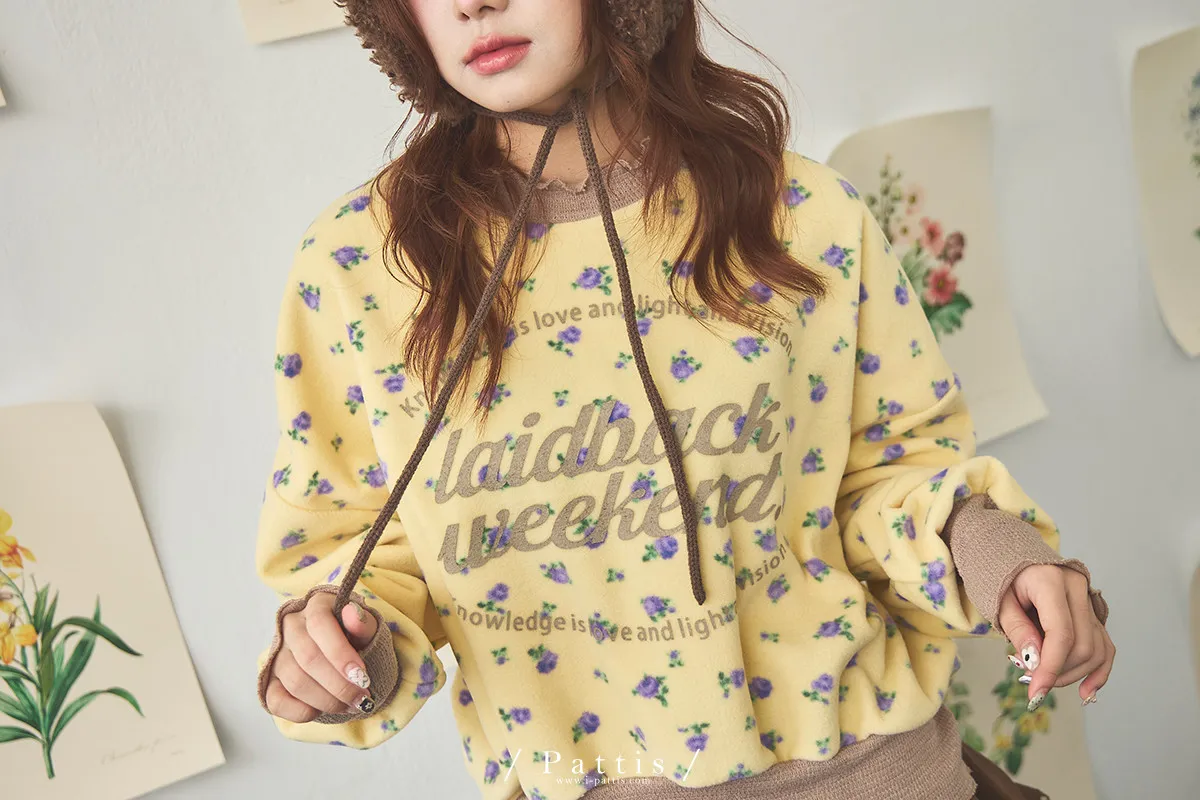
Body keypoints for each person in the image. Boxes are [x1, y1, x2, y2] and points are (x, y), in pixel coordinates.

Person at [253, 1, 1115, 798]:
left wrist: (1000, 555)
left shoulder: (800, 211)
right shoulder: (358, 265)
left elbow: (885, 470)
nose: (472, 2)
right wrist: (339, 648)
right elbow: (367, 549)